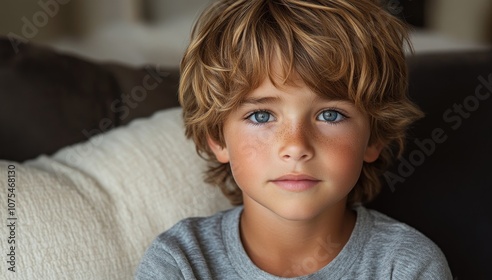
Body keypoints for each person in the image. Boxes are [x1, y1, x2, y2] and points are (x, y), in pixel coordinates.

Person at [136, 0, 453, 279]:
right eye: (262, 116)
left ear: (374, 138)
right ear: (217, 138)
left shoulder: (406, 266)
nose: (296, 146)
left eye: (330, 115)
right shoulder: (179, 262)